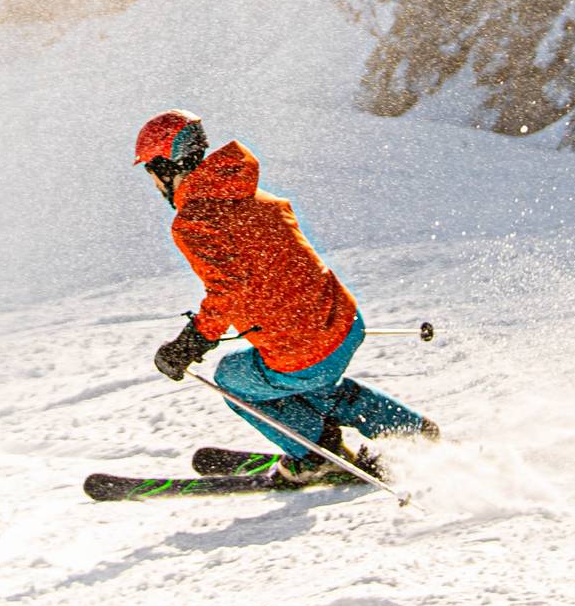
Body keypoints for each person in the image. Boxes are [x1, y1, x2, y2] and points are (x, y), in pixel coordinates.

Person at [135, 109, 440, 483]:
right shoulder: (255, 196)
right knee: (319, 385)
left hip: (303, 348)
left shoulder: (195, 221)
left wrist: (190, 343)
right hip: (345, 323)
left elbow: (228, 289)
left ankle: (316, 455)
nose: (153, 184)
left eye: (152, 172)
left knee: (232, 378)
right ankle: (407, 427)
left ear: (167, 166)